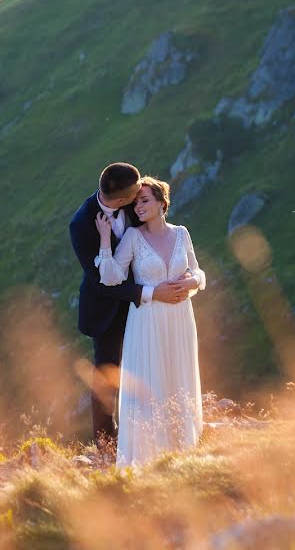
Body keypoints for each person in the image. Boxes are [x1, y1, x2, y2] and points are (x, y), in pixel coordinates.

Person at [69, 164, 191, 446]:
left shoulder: (134, 202)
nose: (140, 198)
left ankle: (154, 433)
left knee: (149, 367)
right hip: (108, 308)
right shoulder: (81, 224)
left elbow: (155, 237)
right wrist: (150, 292)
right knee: (106, 374)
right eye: (135, 195)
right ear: (122, 199)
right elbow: (102, 282)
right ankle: (106, 444)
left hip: (147, 306)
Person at [94, 176, 205, 467]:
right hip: (147, 320)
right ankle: (148, 456)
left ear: (161, 202)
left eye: (144, 200)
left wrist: (192, 281)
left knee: (178, 375)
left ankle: (183, 448)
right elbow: (111, 276)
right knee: (150, 382)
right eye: (136, 202)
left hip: (181, 318)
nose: (138, 206)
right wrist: (105, 239)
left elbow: (198, 272)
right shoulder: (133, 237)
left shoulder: (181, 233)